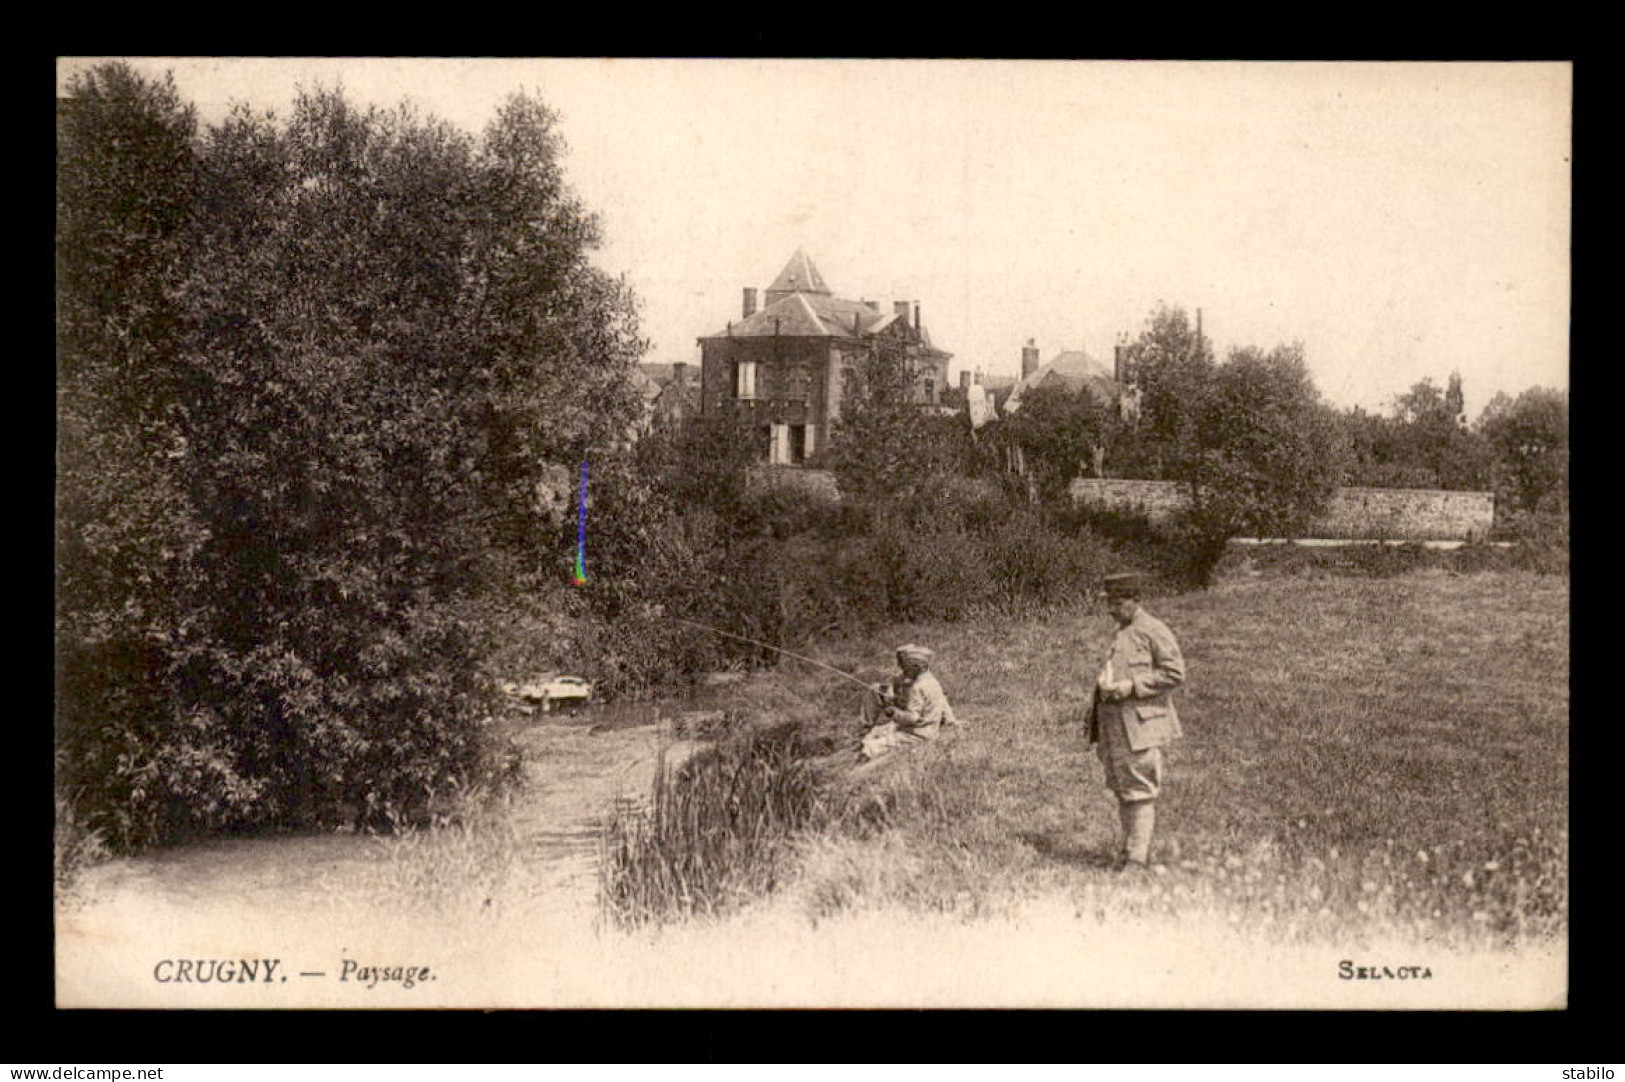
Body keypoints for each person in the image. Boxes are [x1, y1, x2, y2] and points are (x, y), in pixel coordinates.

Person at [1087, 572, 1185, 870]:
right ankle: (1128, 850)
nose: (1111, 610)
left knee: (1140, 789)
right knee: (1122, 788)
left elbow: (1174, 673)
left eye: (1117, 603)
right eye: (1109, 603)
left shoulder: (1153, 630)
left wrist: (1131, 686)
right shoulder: (1122, 632)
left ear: (1135, 600)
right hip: (1115, 724)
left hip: (1140, 726)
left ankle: (1137, 860)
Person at [858, 644, 958, 760]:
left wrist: (892, 712)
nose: (902, 667)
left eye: (906, 665)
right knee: (876, 733)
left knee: (871, 744)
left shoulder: (917, 687)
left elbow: (912, 717)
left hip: (918, 733)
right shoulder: (932, 682)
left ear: (916, 666)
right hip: (927, 728)